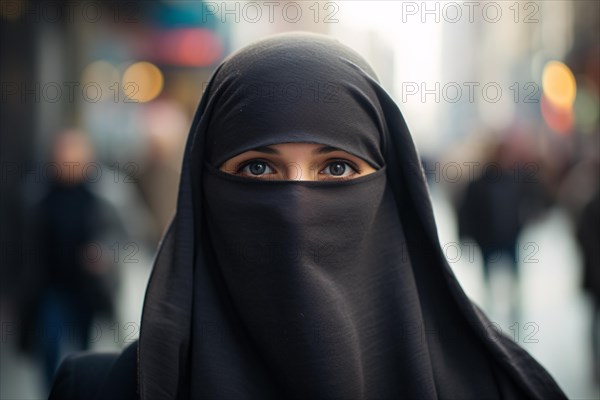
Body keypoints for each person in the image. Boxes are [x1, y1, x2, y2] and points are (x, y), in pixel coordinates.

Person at [48, 32, 567, 399]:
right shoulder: (101, 391)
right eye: (257, 168)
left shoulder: (502, 390)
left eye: (337, 167)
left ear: (391, 191)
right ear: (204, 188)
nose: (295, 205)